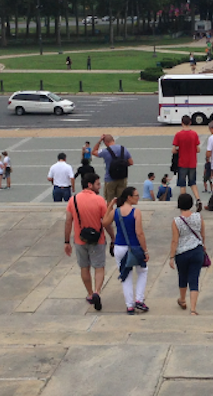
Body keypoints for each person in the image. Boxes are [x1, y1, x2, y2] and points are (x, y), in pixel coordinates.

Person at [64, 172, 114, 312]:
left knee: (84, 268)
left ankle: (90, 294)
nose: (100, 187)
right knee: (99, 267)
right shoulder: (99, 201)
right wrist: (113, 237)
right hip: (97, 240)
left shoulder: (73, 200)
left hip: (80, 240)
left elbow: (68, 221)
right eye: (98, 184)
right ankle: (98, 291)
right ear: (90, 185)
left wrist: (67, 241)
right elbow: (106, 223)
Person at [104, 186, 150, 315]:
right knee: (142, 271)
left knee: (126, 276)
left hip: (119, 247)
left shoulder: (116, 212)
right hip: (134, 247)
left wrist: (110, 206)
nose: (138, 197)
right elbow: (139, 233)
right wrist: (145, 250)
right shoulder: (136, 212)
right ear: (129, 197)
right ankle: (139, 300)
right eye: (136, 195)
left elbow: (104, 223)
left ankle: (129, 306)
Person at [167, 193, 206, 315]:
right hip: (197, 250)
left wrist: (172, 256)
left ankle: (183, 300)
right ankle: (193, 309)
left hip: (182, 252)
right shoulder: (198, 217)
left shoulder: (176, 221)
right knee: (194, 279)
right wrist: (203, 245)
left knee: (182, 276)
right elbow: (202, 233)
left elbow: (175, 240)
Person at [95, 134, 134, 202]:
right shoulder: (123, 149)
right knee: (121, 200)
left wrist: (99, 141)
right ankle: (120, 212)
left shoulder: (105, 151)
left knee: (109, 201)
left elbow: (94, 152)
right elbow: (131, 162)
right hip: (122, 178)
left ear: (105, 143)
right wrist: (122, 165)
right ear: (113, 140)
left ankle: (110, 212)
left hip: (110, 178)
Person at [171, 116, 201, 202]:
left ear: (182, 122)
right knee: (193, 183)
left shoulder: (178, 134)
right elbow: (198, 149)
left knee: (182, 184)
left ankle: (183, 202)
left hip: (182, 163)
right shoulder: (194, 134)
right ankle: (198, 199)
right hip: (192, 162)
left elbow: (174, 150)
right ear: (190, 122)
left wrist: (178, 150)